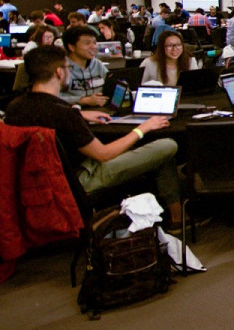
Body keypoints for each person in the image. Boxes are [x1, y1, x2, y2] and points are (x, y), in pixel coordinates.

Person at [5, 46, 184, 228]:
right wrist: (142, 129)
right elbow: (103, 154)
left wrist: (80, 114)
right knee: (167, 146)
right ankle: (177, 218)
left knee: (155, 155)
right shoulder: (65, 115)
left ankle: (176, 217)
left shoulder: (15, 108)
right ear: (59, 72)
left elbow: (45, 115)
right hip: (79, 179)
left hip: (35, 181)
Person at [59, 26, 108, 107]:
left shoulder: (98, 64)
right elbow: (51, 97)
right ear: (71, 47)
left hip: (100, 109)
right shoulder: (61, 68)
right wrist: (82, 100)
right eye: (87, 43)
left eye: (94, 43)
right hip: (71, 111)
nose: (93, 47)